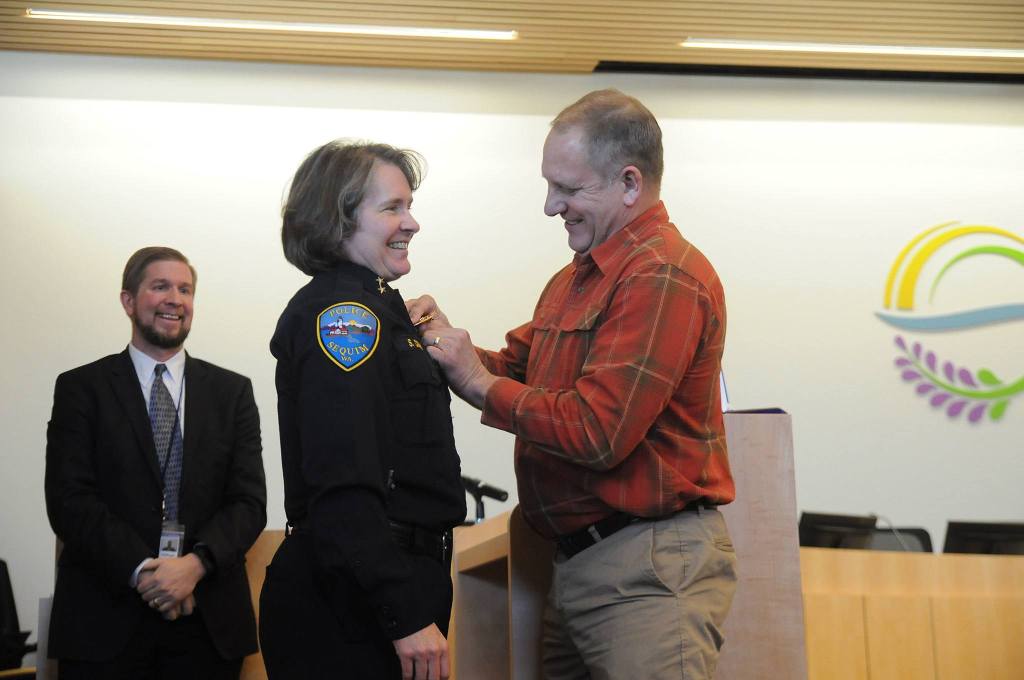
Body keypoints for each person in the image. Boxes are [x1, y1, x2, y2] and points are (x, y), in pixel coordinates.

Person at [407, 89, 738, 679]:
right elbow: (514, 368)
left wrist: (478, 382)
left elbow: (598, 431)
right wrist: (439, 342)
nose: (550, 206)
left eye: (568, 188)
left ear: (630, 184)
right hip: (583, 564)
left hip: (646, 571)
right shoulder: (578, 278)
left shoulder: (661, 274)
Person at [259, 140, 466, 680]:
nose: (412, 222)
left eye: (409, 205)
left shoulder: (380, 310)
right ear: (338, 220)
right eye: (392, 207)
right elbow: (344, 481)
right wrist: (402, 613)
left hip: (376, 586)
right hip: (352, 602)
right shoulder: (344, 317)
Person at [44, 246, 267, 679]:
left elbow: (248, 503)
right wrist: (147, 571)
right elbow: (69, 500)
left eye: (185, 289)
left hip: (208, 623)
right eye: (160, 286)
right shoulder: (80, 388)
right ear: (128, 301)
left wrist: (194, 565)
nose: (175, 299)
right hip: (103, 623)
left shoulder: (232, 393)